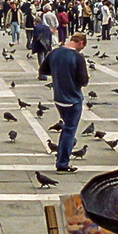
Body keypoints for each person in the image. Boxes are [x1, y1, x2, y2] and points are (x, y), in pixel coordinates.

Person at [45, 31, 88, 173]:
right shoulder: (78, 57)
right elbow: (83, 81)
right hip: (73, 99)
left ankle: (61, 158)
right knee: (69, 131)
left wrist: (59, 73)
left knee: (66, 129)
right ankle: (62, 163)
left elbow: (43, 70)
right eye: (82, 47)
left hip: (59, 98)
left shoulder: (54, 53)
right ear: (80, 43)